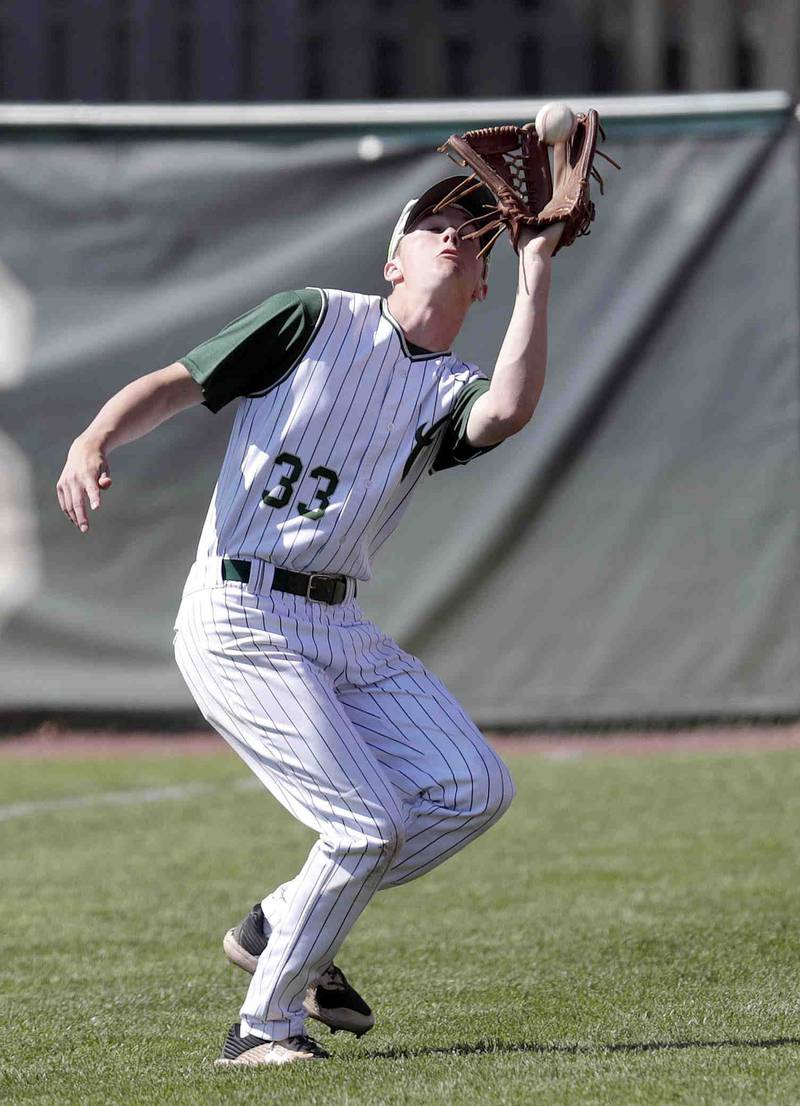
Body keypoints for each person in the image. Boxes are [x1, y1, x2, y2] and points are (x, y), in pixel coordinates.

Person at [56, 175, 564, 1066]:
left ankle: (281, 923)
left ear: (481, 285)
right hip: (239, 611)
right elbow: (179, 385)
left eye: (471, 233)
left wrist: (535, 267)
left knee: (472, 789)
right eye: (435, 223)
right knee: (368, 826)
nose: (455, 234)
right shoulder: (313, 317)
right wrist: (93, 437)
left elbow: (510, 410)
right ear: (391, 260)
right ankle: (262, 1029)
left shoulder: (447, 387)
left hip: (340, 625)